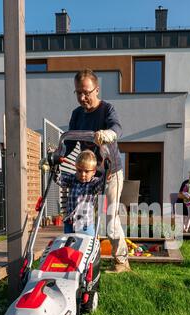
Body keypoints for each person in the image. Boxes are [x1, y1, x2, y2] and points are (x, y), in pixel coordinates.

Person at [67, 69, 130, 273]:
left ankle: (121, 262)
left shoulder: (107, 109)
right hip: (89, 175)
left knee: (110, 217)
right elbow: (69, 143)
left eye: (86, 92)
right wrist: (56, 155)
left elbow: (117, 127)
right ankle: (81, 257)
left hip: (111, 172)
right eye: (78, 93)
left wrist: (108, 134)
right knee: (83, 217)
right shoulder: (77, 115)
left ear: (96, 89)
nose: (82, 97)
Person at [55, 150, 103, 236]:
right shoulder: (73, 179)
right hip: (70, 224)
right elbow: (59, 179)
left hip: (85, 225)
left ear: (94, 172)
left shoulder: (93, 183)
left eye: (87, 171)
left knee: (85, 246)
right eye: (79, 171)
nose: (82, 174)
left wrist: (108, 174)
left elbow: (101, 184)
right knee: (69, 247)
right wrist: (54, 166)